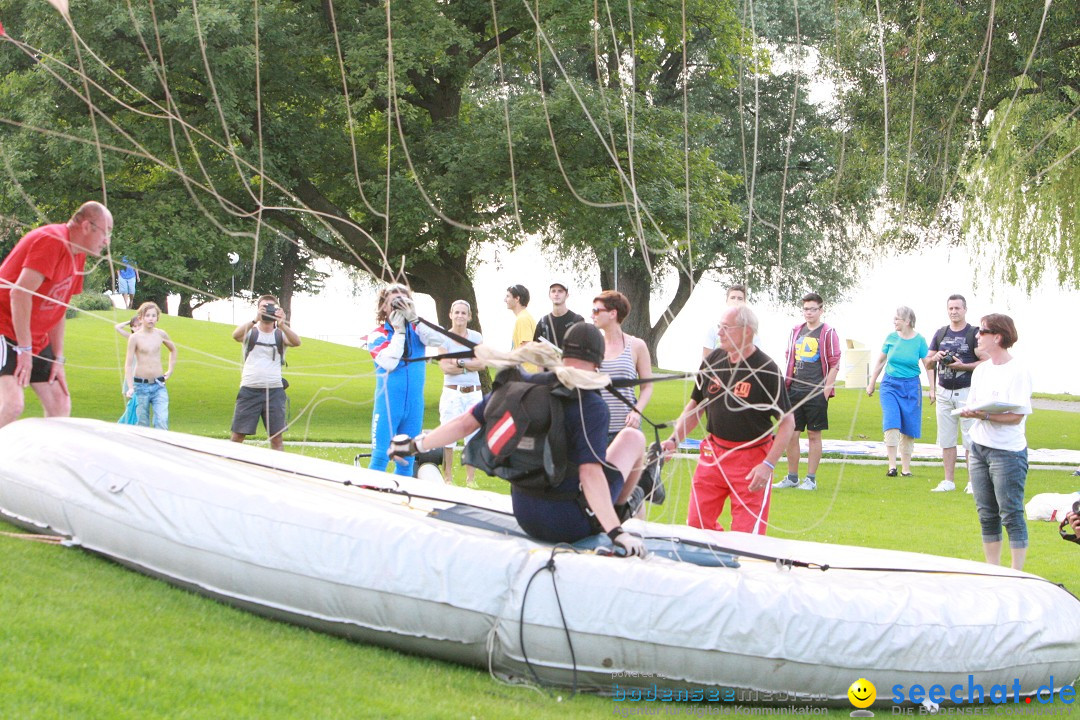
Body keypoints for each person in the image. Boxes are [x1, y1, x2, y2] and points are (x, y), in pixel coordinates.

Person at [389, 322, 648, 556]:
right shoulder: (591, 405)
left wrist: (415, 445)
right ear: (598, 362)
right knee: (633, 437)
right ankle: (620, 511)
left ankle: (616, 510)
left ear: (563, 354)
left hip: (525, 513)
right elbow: (590, 474)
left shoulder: (522, 387)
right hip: (568, 524)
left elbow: (464, 423)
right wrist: (616, 533)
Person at [662, 305, 794, 535]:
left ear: (747, 332)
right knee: (697, 525)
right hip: (713, 454)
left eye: (726, 328)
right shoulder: (713, 359)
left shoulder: (767, 370)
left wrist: (768, 465)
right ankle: (714, 561)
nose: (719, 332)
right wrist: (673, 441)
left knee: (746, 538)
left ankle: (737, 562)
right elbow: (695, 407)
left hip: (751, 458)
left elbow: (787, 422)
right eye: (719, 327)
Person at [0, 201, 112, 429]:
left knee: (60, 404)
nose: (107, 241)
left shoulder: (77, 254)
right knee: (12, 404)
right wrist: (24, 349)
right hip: (4, 328)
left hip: (33, 339)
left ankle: (41, 462)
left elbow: (58, 306)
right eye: (105, 232)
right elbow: (19, 294)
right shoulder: (52, 241)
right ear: (87, 226)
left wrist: (58, 357)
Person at [959, 314, 1033, 570]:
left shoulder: (1018, 372)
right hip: (979, 447)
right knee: (986, 513)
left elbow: (1016, 416)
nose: (977, 335)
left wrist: (985, 414)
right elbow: (974, 405)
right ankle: (993, 570)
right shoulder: (981, 370)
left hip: (1007, 453)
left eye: (982, 331)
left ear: (997, 337)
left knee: (1010, 513)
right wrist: (972, 412)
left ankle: (1016, 572)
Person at [367, 284, 445, 476]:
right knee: (380, 458)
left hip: (414, 406)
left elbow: (439, 339)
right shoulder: (378, 334)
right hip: (388, 405)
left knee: (407, 461)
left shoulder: (419, 330)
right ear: (384, 307)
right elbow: (389, 362)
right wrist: (399, 331)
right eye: (394, 301)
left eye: (404, 299)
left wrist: (415, 319)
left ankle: (399, 501)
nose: (400, 304)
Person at [775, 293, 842, 491]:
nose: (809, 313)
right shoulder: (796, 330)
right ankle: (792, 477)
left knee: (814, 434)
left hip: (816, 391)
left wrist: (825, 390)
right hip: (794, 390)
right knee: (792, 434)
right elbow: (789, 356)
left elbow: (835, 362)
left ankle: (810, 479)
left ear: (821, 310)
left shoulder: (828, 332)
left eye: (813, 309)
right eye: (806, 309)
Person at [924, 294, 987, 493]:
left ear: (965, 309)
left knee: (970, 438)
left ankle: (972, 482)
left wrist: (963, 366)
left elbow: (986, 362)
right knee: (946, 438)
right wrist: (936, 357)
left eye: (957, 308)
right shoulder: (941, 333)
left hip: (967, 390)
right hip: (944, 390)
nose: (954, 312)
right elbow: (927, 362)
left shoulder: (974, 333)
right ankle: (948, 481)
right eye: (950, 308)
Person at [230, 295, 301, 450]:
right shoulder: (251, 332)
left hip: (274, 391)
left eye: (271, 307)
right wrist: (255, 320)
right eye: (264, 307)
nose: (268, 310)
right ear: (258, 309)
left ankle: (278, 471)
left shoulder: (280, 334)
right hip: (249, 389)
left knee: (276, 438)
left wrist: (282, 325)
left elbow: (297, 342)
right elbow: (235, 335)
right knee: (237, 436)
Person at [866, 306, 930, 477]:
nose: (894, 322)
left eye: (897, 319)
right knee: (891, 421)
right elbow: (880, 361)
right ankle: (892, 466)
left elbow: (928, 365)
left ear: (907, 321)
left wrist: (933, 388)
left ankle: (906, 468)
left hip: (911, 386)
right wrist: (871, 383)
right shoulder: (891, 338)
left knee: (909, 426)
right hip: (890, 385)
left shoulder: (920, 341)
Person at [437, 299, 484, 487]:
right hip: (452, 393)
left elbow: (481, 364)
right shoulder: (443, 337)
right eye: (456, 312)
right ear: (450, 315)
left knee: (472, 435)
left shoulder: (476, 337)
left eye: (463, 313)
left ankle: (470, 479)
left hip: (473, 392)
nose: (460, 316)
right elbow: (445, 368)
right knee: (449, 434)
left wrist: (458, 362)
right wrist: (468, 365)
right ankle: (447, 477)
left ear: (469, 316)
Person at [123, 301, 177, 430]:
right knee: (142, 424)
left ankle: (161, 448)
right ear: (141, 318)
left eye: (153, 315)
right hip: (141, 386)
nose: (151, 318)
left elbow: (173, 349)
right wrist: (130, 387)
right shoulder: (135, 338)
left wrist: (170, 370)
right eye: (147, 315)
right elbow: (128, 365)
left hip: (159, 385)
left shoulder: (161, 334)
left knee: (162, 421)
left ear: (157, 318)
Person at [533, 281, 584, 349]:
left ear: (567, 295)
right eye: (553, 291)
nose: (556, 294)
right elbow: (536, 350)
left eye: (560, 291)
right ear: (549, 295)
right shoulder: (543, 322)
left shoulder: (577, 320)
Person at [702, 284, 747, 358]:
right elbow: (705, 361)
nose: (736, 301)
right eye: (732, 298)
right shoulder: (714, 329)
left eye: (740, 298)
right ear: (727, 301)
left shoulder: (750, 331)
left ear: (744, 303)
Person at [506, 283, 537, 372]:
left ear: (517, 299)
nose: (505, 300)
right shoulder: (525, 317)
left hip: (527, 374)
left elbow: (526, 348)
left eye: (508, 296)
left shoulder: (523, 319)